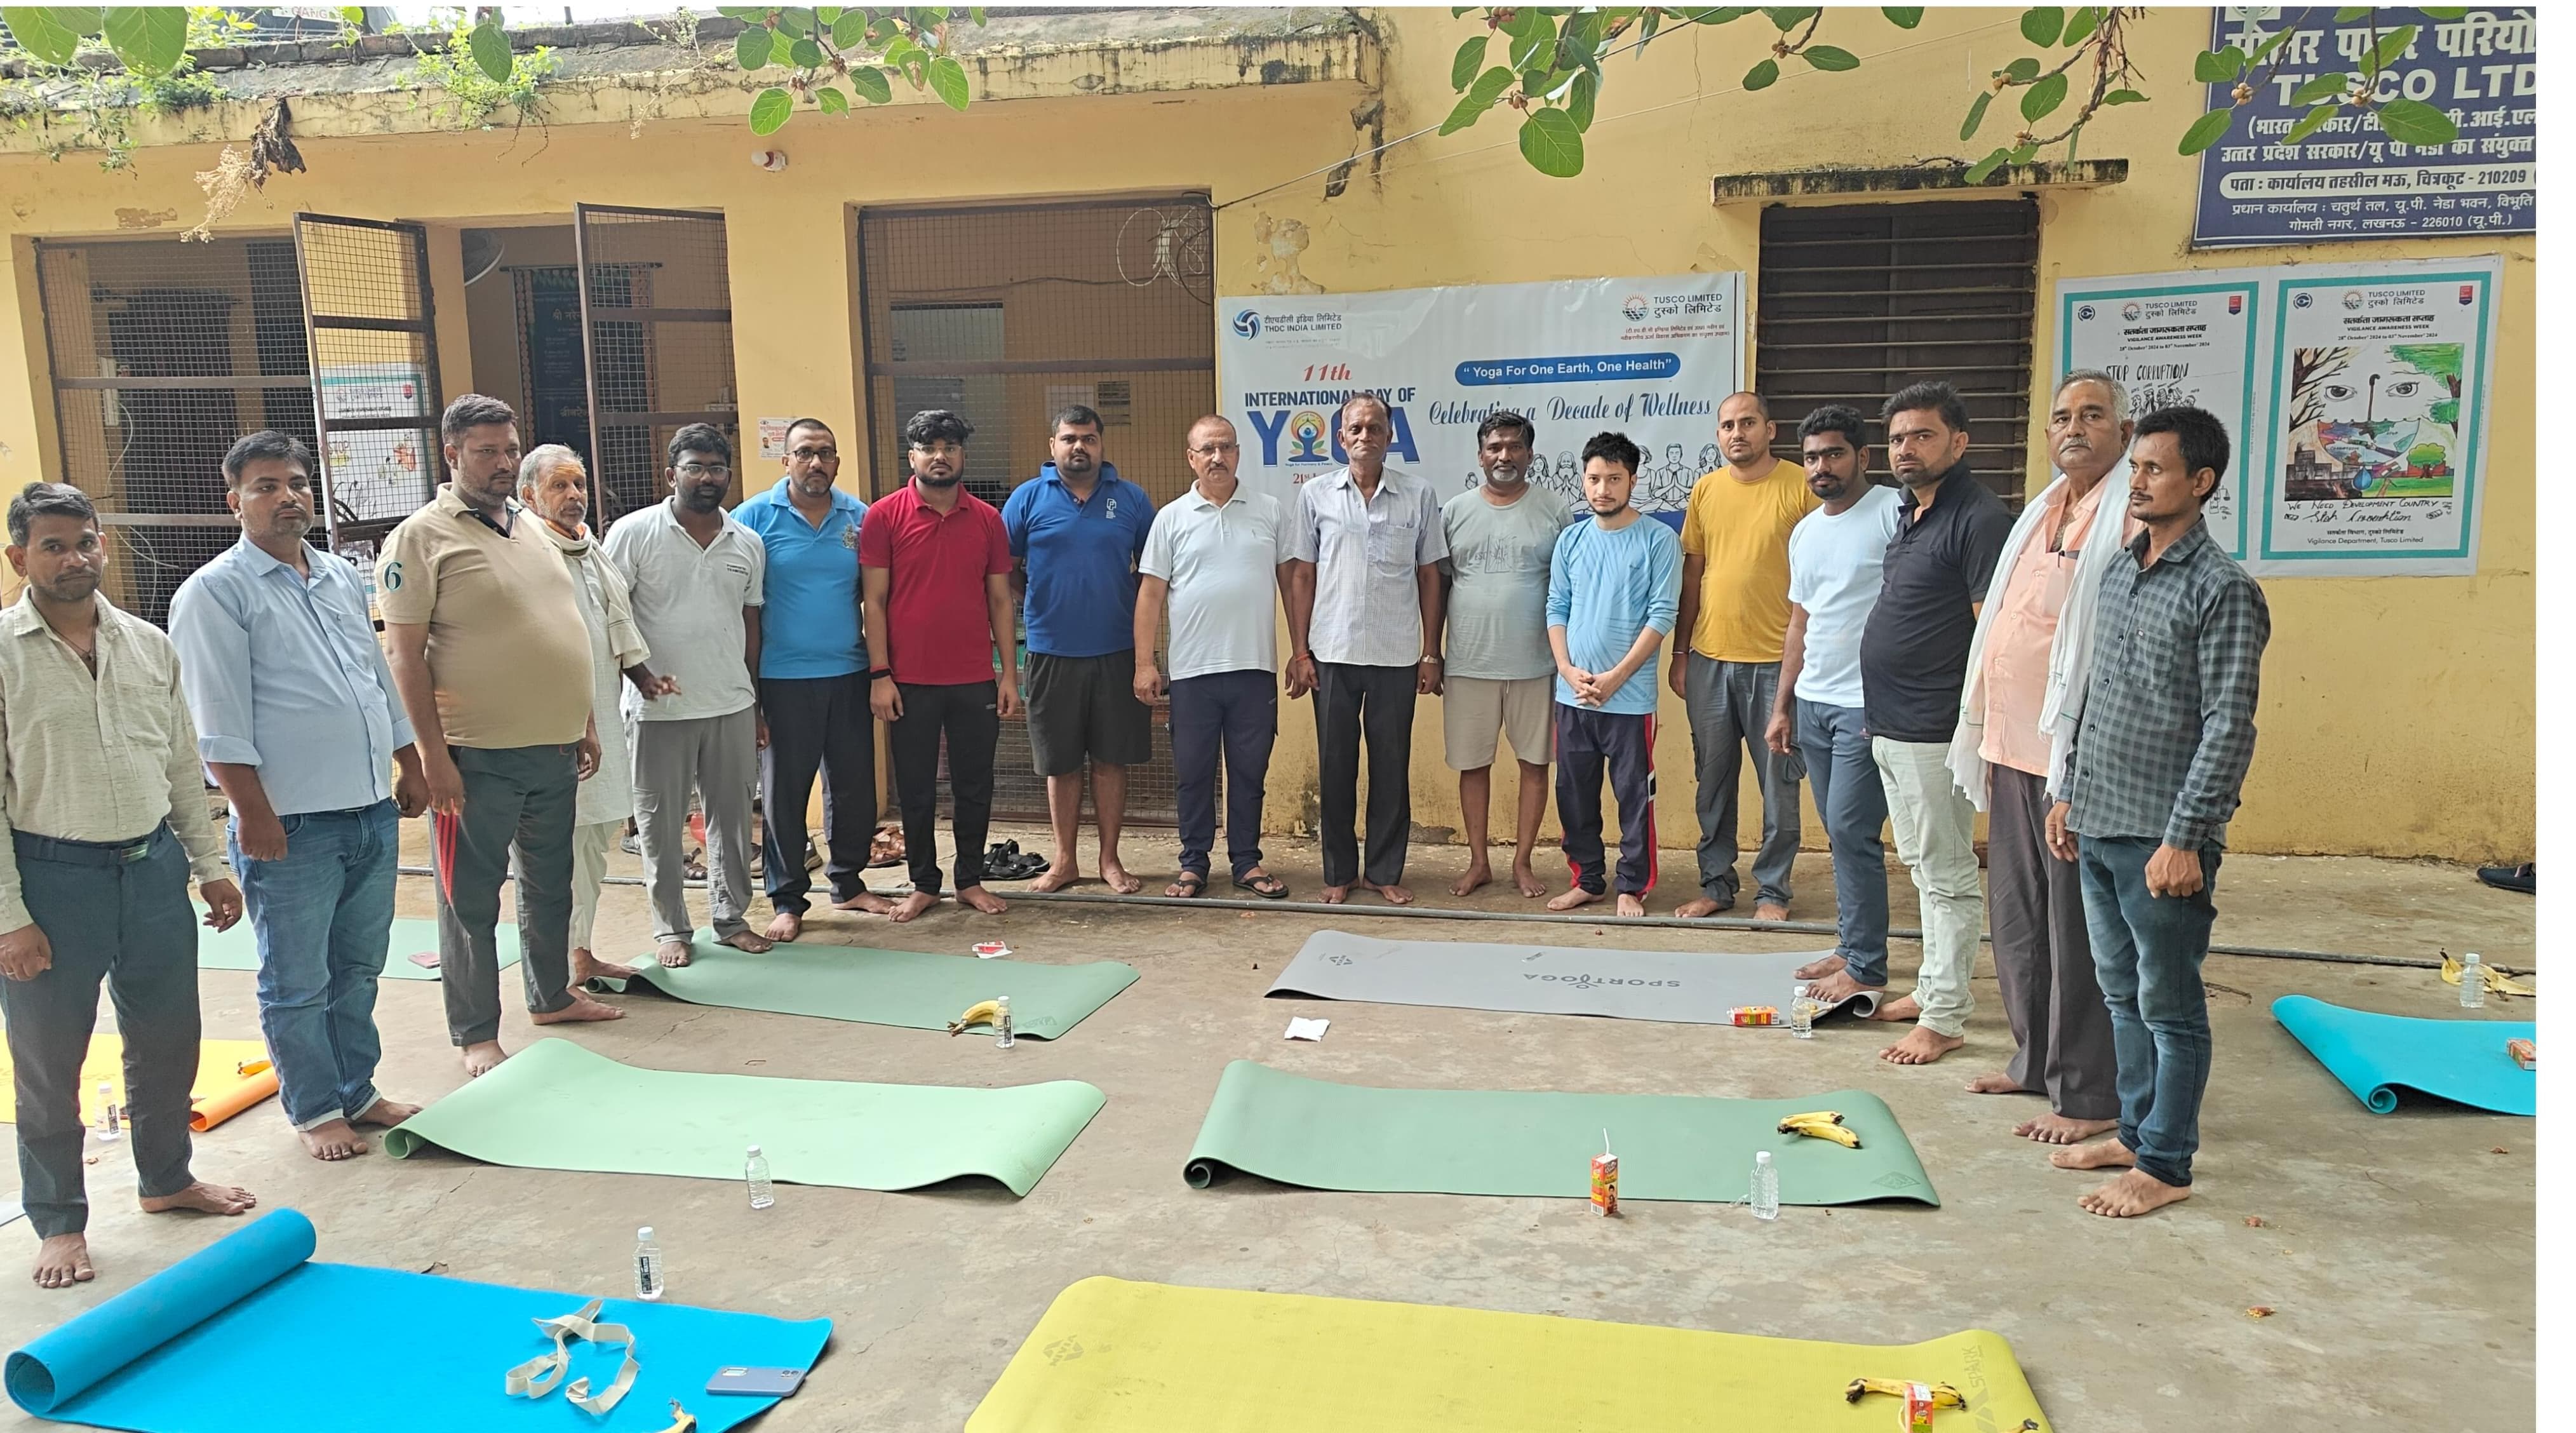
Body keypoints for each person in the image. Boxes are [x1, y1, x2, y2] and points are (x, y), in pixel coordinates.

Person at [1, 482, 256, 1289]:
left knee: (168, 1038)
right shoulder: (4, 654)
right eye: (52, 546)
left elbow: (181, 764)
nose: (74, 558)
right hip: (51, 881)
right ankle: (59, 1221)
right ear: (19, 558)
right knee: (50, 1062)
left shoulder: (148, 645)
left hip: (152, 870)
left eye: (85, 542)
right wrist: (10, 916)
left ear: (103, 546)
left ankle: (166, 1178)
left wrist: (210, 866)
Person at [169, 433, 428, 1164]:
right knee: (297, 979)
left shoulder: (339, 575)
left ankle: (357, 1090)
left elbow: (376, 676)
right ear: (235, 501)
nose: (287, 497)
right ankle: (315, 1108)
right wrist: (253, 815)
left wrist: (409, 762)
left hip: (369, 811)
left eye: (297, 483)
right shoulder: (215, 593)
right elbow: (215, 720)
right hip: (290, 823)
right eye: (266, 486)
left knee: (359, 967)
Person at [2048, 406, 2269, 1219]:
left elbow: (2229, 725)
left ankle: (2167, 1165)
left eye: (2154, 469)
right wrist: (2068, 790)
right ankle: (2137, 1134)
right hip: (2100, 819)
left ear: (2200, 482)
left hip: (2162, 837)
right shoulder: (2120, 568)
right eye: (2135, 467)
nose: (2136, 481)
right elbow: (2097, 692)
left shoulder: (2224, 590)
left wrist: (2185, 837)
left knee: (2171, 1007)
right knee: (2121, 994)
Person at [378, 394, 622, 1077]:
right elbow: (403, 656)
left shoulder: (530, 527)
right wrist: (432, 759)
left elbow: (563, 629)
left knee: (550, 886)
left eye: (510, 450)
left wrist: (583, 721)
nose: (503, 463)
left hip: (553, 748)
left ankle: (551, 996)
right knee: (470, 901)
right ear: (452, 455)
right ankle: (476, 1032)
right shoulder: (421, 538)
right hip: (474, 757)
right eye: (487, 452)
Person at [1947, 373, 2137, 1143]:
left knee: (2075, 931)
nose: (2075, 429)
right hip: (2009, 748)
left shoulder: (2128, 517)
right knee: (2019, 919)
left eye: (2093, 415)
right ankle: (2034, 1060)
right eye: (2062, 417)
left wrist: (2079, 771)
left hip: (2071, 763)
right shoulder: (2041, 510)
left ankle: (2088, 1095)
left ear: (2125, 433)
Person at [1858, 380, 2014, 1066]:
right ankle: (1930, 988)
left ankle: (1946, 1015)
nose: (1906, 448)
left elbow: (1992, 635)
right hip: (1891, 724)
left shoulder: (1978, 519)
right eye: (1897, 438)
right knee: (1921, 866)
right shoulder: (1910, 512)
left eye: (1923, 435)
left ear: (1960, 441)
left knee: (1947, 875)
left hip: (1935, 728)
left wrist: (1978, 728)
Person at [603, 424, 773, 968]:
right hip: (659, 710)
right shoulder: (633, 533)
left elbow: (750, 625)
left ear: (729, 476)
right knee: (659, 823)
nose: (706, 478)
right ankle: (671, 928)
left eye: (716, 469)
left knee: (733, 822)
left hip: (731, 704)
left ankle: (731, 919)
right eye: (694, 467)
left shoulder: (746, 542)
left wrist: (754, 702)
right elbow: (611, 616)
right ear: (670, 474)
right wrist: (638, 679)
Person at [732, 418, 894, 936]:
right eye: (804, 453)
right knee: (785, 794)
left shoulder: (860, 517)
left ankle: (848, 884)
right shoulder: (752, 518)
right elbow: (735, 602)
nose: (815, 462)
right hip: (782, 679)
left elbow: (875, 595)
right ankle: (787, 900)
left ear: (837, 462)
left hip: (849, 673)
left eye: (825, 453)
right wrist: (748, 691)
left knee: (853, 789)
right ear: (786, 461)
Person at [1764, 407, 1901, 1013]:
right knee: (1840, 834)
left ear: (1863, 457)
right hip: (1814, 702)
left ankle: (1867, 966)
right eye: (1812, 457)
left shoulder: (1894, 511)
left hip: (1867, 704)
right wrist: (1783, 705)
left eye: (1835, 454)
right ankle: (1851, 946)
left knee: (1851, 829)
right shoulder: (1805, 532)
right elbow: (1800, 622)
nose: (1822, 466)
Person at [861, 409, 1022, 921]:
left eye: (949, 447)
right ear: (912, 456)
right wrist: (880, 675)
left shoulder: (989, 520)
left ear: (962, 455)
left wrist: (1008, 674)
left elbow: (1001, 601)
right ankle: (925, 884)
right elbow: (873, 602)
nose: (940, 457)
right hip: (908, 681)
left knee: (975, 785)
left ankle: (969, 880)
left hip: (974, 679)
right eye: (929, 448)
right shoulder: (883, 516)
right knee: (915, 789)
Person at [1285, 394, 1446, 905]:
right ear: (1340, 438)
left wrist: (1430, 652)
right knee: (1336, 766)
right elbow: (1302, 574)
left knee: (1391, 767)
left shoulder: (1418, 495)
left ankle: (1382, 871)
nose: (1365, 436)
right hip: (1332, 651)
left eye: (1375, 428)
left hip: (1397, 655)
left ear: (1390, 436)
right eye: (1355, 428)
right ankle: (1338, 872)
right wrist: (1300, 652)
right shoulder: (1315, 495)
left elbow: (1430, 575)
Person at [518, 445, 666, 981]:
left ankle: (578, 954)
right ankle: (555, 970)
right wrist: (574, 722)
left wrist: (644, 679)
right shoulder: (527, 552)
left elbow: (612, 623)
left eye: (579, 484)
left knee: (595, 842)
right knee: (559, 848)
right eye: (559, 485)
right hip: (555, 725)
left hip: (602, 709)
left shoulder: (586, 544)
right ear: (529, 495)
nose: (574, 495)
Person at [1671, 392, 1817, 922]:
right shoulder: (1706, 490)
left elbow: (1819, 575)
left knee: (1779, 785)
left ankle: (1773, 892)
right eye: (1728, 425)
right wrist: (1681, 652)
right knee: (1712, 782)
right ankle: (1716, 884)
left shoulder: (1800, 486)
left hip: (1778, 665)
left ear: (1770, 430)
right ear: (1718, 435)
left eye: (1748, 423)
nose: (1738, 433)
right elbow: (1693, 575)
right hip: (1710, 660)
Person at [1133, 415, 1292, 899]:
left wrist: (1301, 650)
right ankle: (1193, 864)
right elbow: (1150, 595)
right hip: (1192, 674)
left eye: (1225, 447)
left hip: (1254, 669)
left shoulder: (1270, 511)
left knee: (1249, 773)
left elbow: (1292, 586)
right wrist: (1144, 663)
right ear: (1191, 458)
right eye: (1207, 449)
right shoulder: (1171, 518)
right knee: (1194, 773)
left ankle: (1246, 861)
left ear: (1239, 454)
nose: (1217, 457)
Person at [1004, 405, 1156, 895]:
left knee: (1111, 760)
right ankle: (1065, 861)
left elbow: (1153, 571)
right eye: (1069, 438)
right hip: (1050, 651)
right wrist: (1036, 599)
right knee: (1061, 762)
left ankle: (1110, 860)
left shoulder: (1131, 499)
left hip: (1117, 650)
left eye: (1088, 438)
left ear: (1101, 444)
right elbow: (1004, 568)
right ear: (1053, 445)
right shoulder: (1027, 498)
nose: (1079, 447)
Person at [1545, 434, 1682, 917]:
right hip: (1573, 696)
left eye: (1614, 479)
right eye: (1594, 479)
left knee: (1634, 797)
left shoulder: (1659, 541)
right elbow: (1556, 607)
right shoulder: (1571, 539)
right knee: (1574, 795)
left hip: (1629, 699)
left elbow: (1662, 615)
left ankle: (1632, 886)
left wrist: (1617, 677)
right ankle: (1587, 880)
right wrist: (1566, 669)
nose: (1602, 489)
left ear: (1633, 481)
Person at [1437, 411, 1572, 899]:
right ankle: (1479, 862)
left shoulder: (1555, 510)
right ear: (1480, 456)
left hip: (1536, 664)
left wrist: (1568, 659)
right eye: (1494, 447)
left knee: (1534, 764)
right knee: (1473, 765)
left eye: (1514, 447)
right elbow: (1438, 586)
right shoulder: (1454, 511)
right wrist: (1431, 653)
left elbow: (1569, 588)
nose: (1504, 456)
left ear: (1530, 455)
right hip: (1469, 662)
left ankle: (1522, 862)